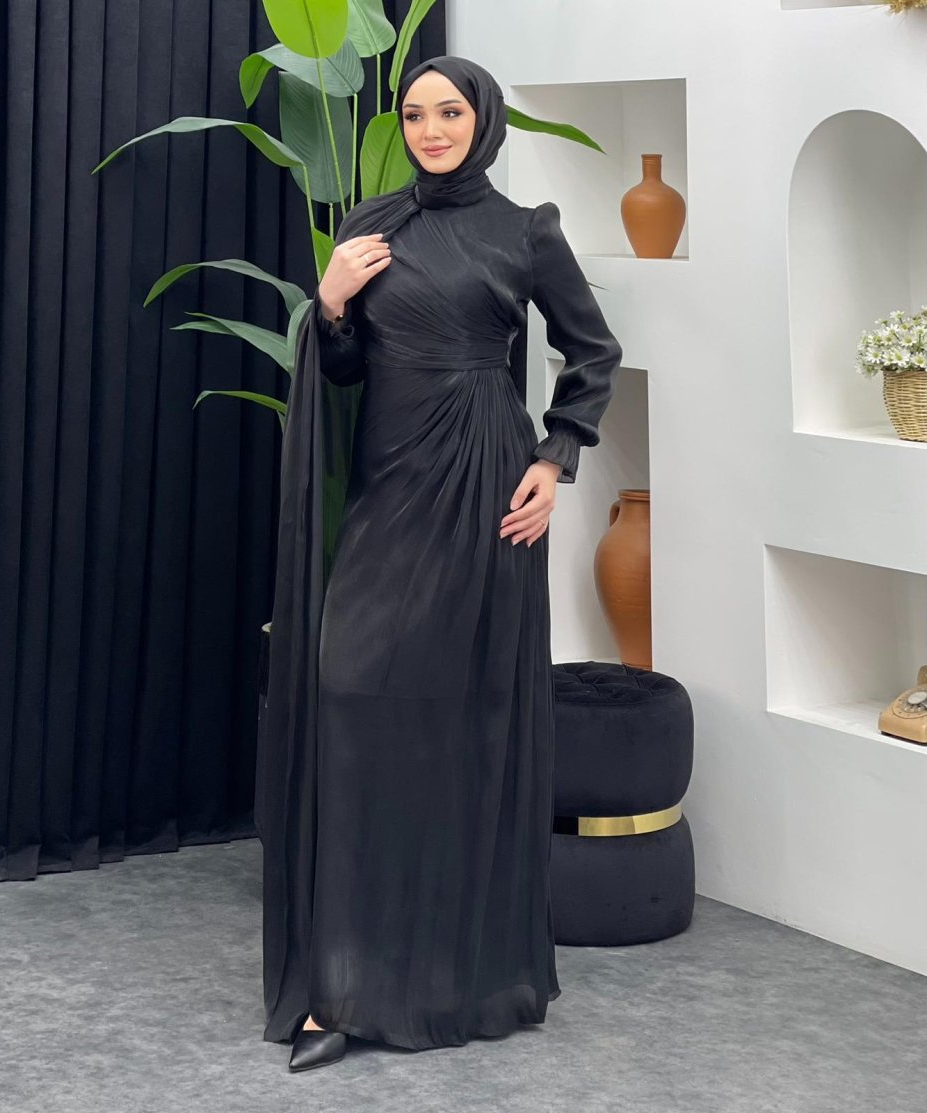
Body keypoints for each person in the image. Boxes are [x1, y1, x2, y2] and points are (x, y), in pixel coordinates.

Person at [259, 54, 623, 1073]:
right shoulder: (372, 226)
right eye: (415, 113)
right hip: (390, 489)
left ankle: (453, 970)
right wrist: (331, 304)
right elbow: (343, 372)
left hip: (485, 490)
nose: (429, 129)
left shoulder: (526, 230)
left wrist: (555, 456)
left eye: (449, 112)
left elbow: (593, 351)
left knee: (464, 719)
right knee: (351, 694)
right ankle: (342, 983)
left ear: (481, 120)